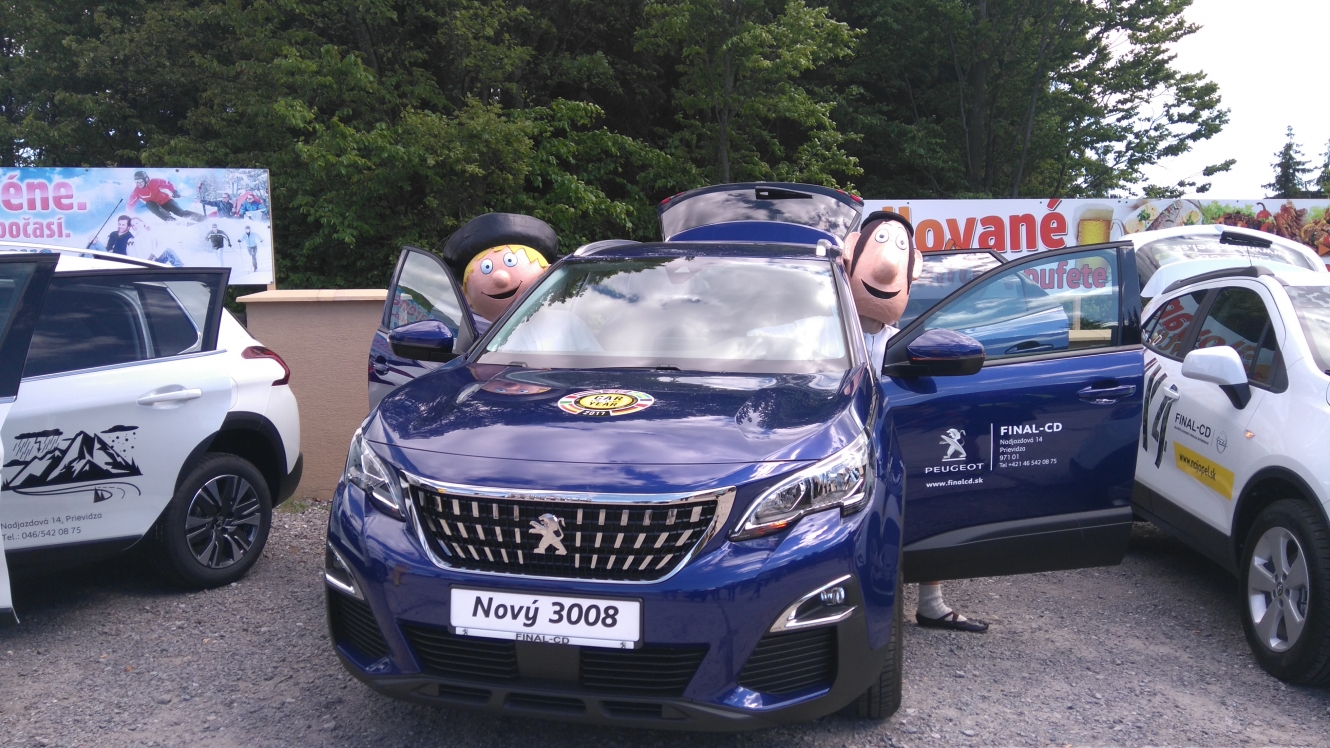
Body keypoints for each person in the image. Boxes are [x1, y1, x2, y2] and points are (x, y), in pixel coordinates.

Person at [843, 210, 989, 633]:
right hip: (841, 443)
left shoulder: (904, 341)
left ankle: (931, 602)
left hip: (898, 436)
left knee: (930, 499)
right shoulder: (823, 331)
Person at [440, 213, 559, 334]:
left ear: (548, 272)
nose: (500, 278)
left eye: (510, 261)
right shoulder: (488, 339)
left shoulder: (565, 322)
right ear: (466, 297)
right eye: (486, 267)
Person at [127, 170, 204, 223]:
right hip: (158, 208)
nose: (138, 183)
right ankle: (170, 219)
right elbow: (130, 204)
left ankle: (202, 219)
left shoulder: (154, 182)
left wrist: (174, 191)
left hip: (166, 201)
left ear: (146, 179)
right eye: (136, 181)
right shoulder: (137, 191)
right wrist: (128, 216)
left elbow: (167, 184)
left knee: (180, 213)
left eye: (140, 181)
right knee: (149, 204)